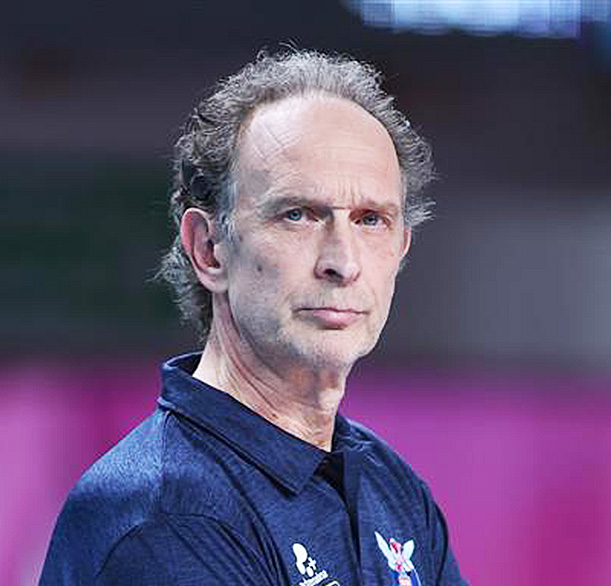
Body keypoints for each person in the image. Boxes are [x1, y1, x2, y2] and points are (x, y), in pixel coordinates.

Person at [39, 49, 466, 585]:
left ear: (401, 248)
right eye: (298, 215)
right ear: (209, 249)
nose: (343, 262)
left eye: (370, 219)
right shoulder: (167, 517)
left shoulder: (393, 488)